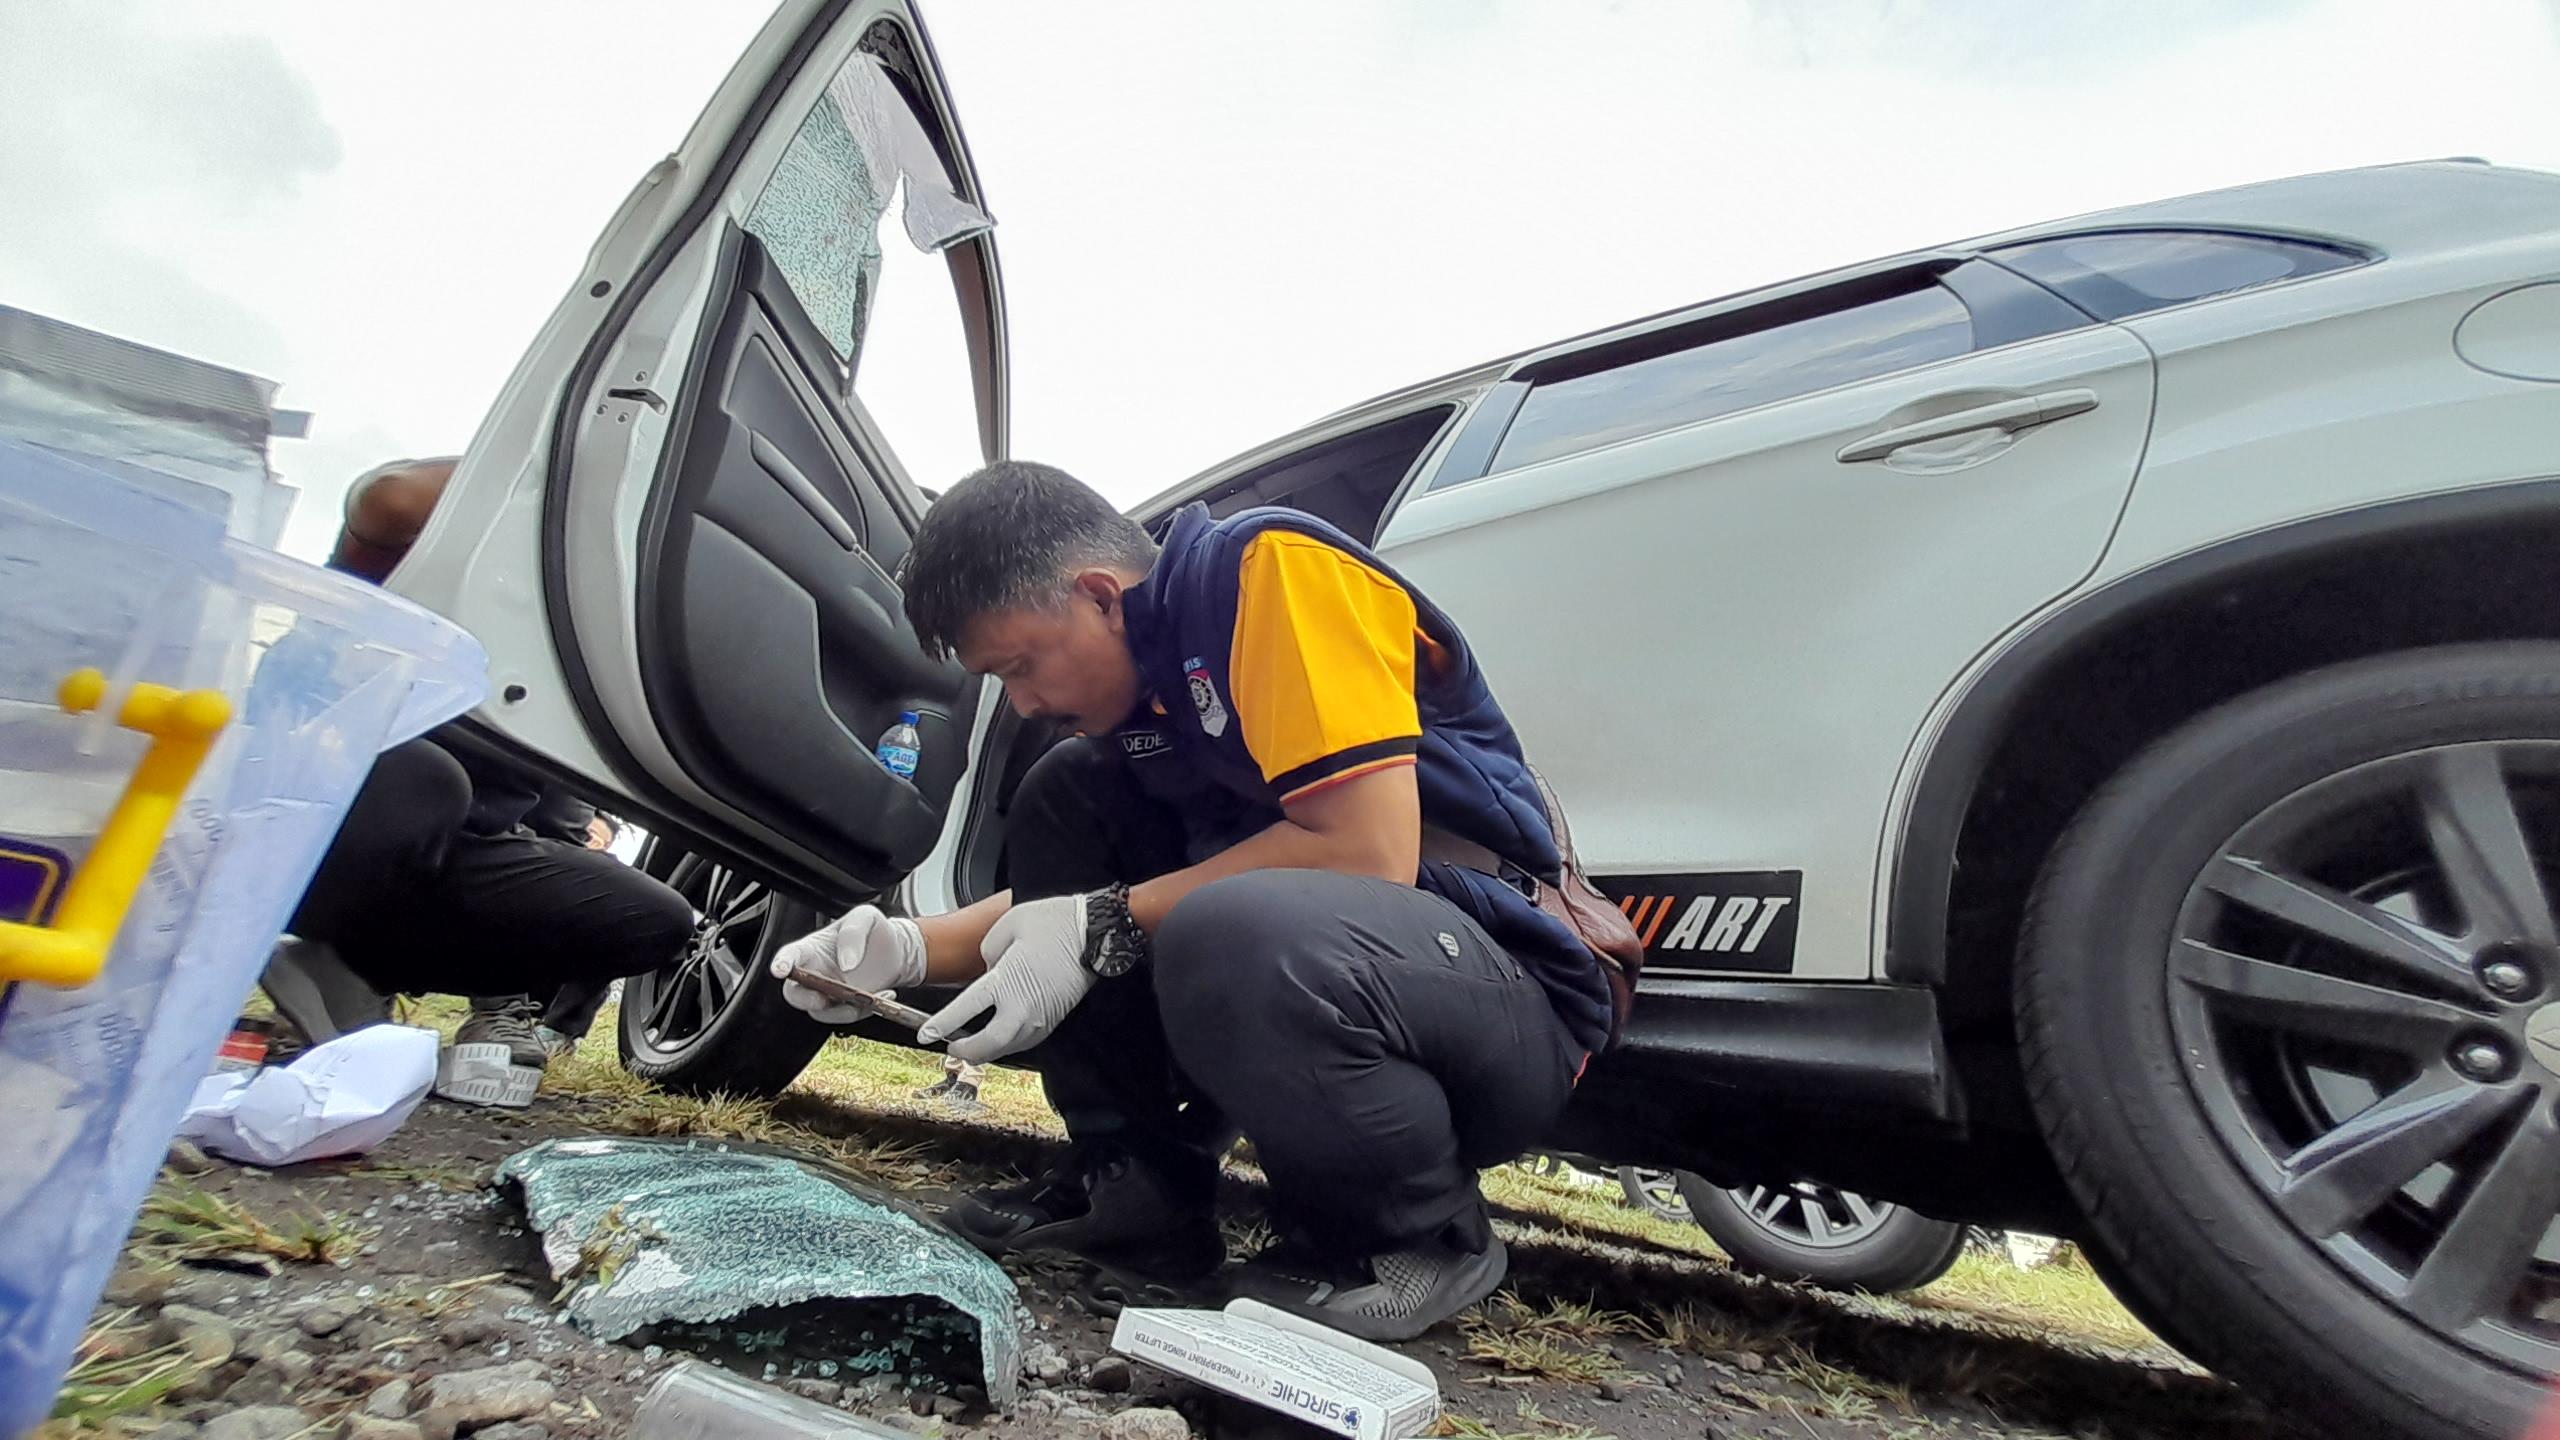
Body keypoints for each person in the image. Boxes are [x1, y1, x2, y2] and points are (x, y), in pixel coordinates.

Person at [773, 461, 1623, 1341]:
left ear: (1102, 596)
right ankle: (1135, 1191)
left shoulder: (1268, 574)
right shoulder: (1156, 706)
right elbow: (1075, 905)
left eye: (1023, 664)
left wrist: (1100, 921)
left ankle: (1408, 1235)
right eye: (1001, 681)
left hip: (1502, 1004)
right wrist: (904, 949)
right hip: (1353, 967)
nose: (1023, 701)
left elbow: (1364, 854)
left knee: (1230, 923)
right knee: (1068, 792)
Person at [260, 459, 695, 1069]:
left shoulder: (614, 618)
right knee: (423, 780)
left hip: (477, 838)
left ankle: (356, 973)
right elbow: (391, 499)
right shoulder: (463, 533)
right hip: (331, 800)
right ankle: (319, 945)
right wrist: (570, 470)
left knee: (656, 920)